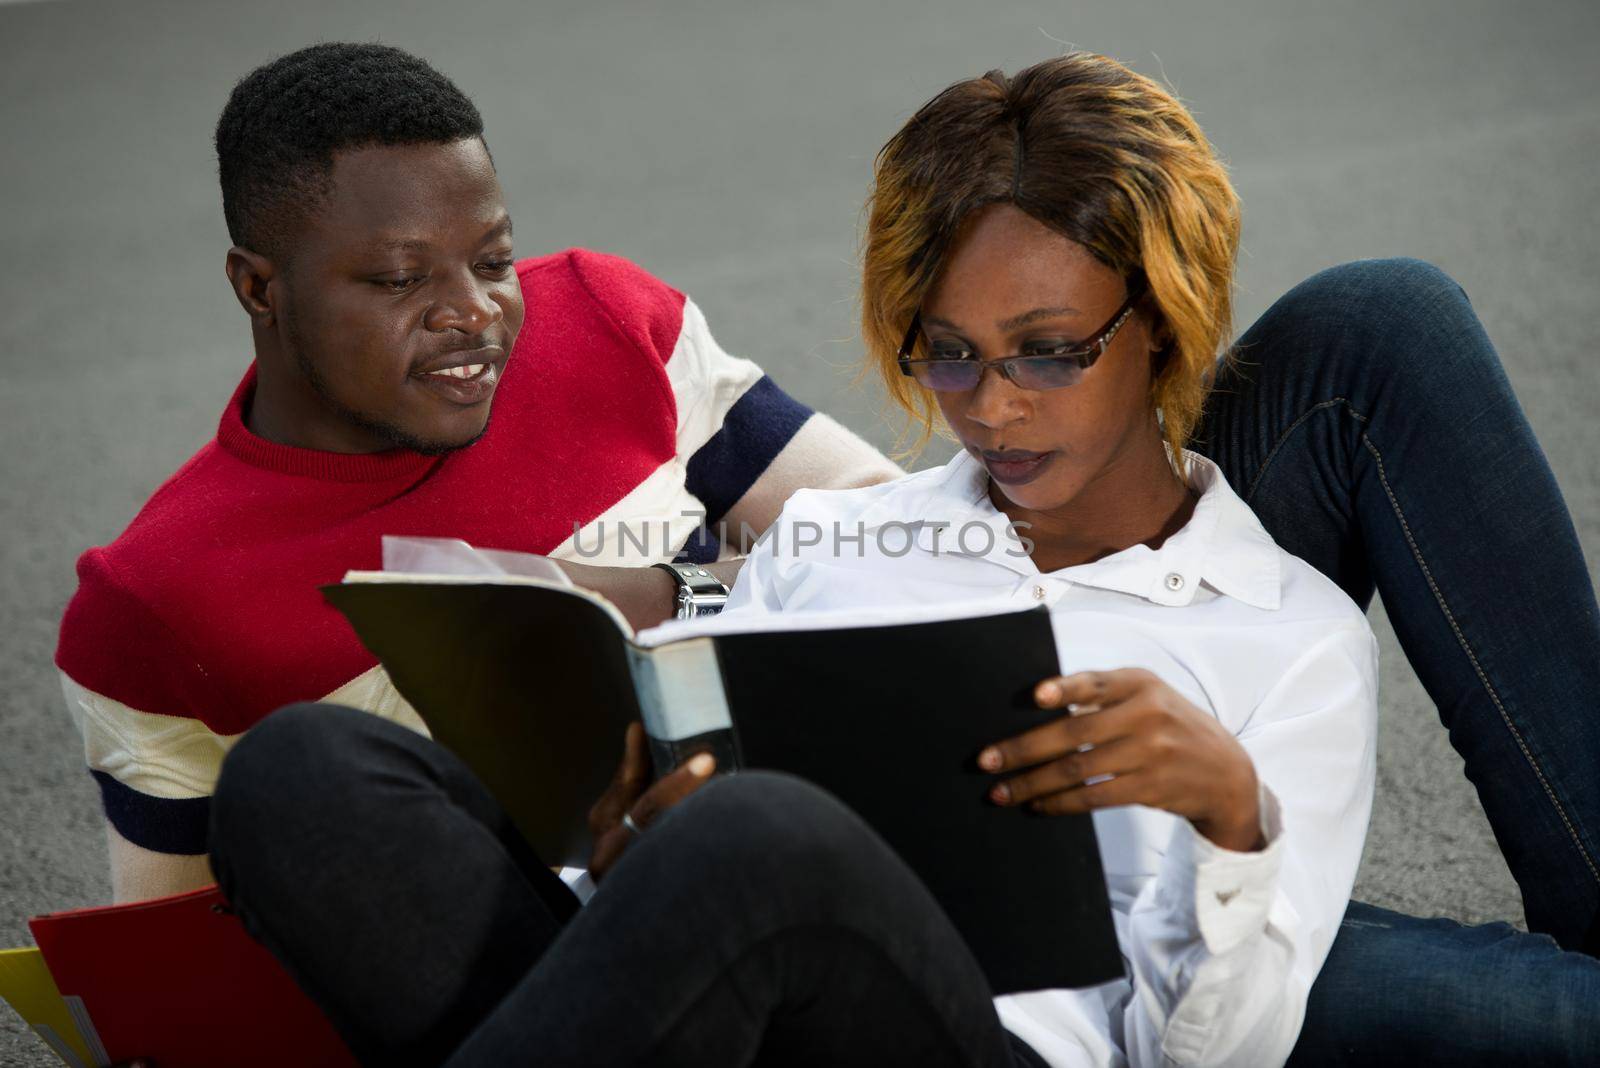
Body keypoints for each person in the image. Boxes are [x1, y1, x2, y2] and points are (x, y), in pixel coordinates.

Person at [205, 52, 1600, 1065]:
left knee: (768, 839)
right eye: (951, 354)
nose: (991, 405)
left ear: (1166, 328)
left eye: (1049, 350)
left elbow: (1213, 1057)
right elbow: (683, 841)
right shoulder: (830, 536)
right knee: (299, 771)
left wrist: (1232, 821)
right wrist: (621, 846)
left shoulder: (1286, 635)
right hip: (701, 1008)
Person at [51, 42, 900, 906]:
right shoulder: (151, 599)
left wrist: (671, 593)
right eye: (399, 278)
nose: (474, 311)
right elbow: (176, 961)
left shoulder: (604, 321)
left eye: (492, 260)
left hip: (801, 862)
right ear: (259, 288)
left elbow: (900, 543)